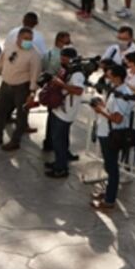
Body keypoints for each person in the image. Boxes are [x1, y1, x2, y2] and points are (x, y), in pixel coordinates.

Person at [0, 27, 41, 151]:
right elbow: (0, 61)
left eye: (30, 39)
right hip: (6, 84)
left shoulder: (34, 55)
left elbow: (35, 75)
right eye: (25, 38)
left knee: (21, 115)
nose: (28, 41)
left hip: (22, 87)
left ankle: (15, 141)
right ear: (18, 38)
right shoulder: (10, 47)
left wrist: (32, 93)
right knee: (0, 110)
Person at [90, 64, 132, 211]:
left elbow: (117, 119)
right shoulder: (116, 90)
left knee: (112, 168)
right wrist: (103, 106)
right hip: (105, 132)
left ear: (118, 77)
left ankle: (109, 200)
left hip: (110, 135)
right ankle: (108, 192)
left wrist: (101, 111)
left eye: (110, 75)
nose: (108, 77)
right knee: (108, 166)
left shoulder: (123, 94)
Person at [44, 47, 85, 178]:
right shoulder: (66, 69)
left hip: (66, 111)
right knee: (60, 138)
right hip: (58, 108)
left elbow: (78, 90)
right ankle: (59, 161)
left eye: (64, 58)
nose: (61, 60)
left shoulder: (77, 74)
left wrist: (61, 84)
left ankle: (61, 168)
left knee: (58, 140)